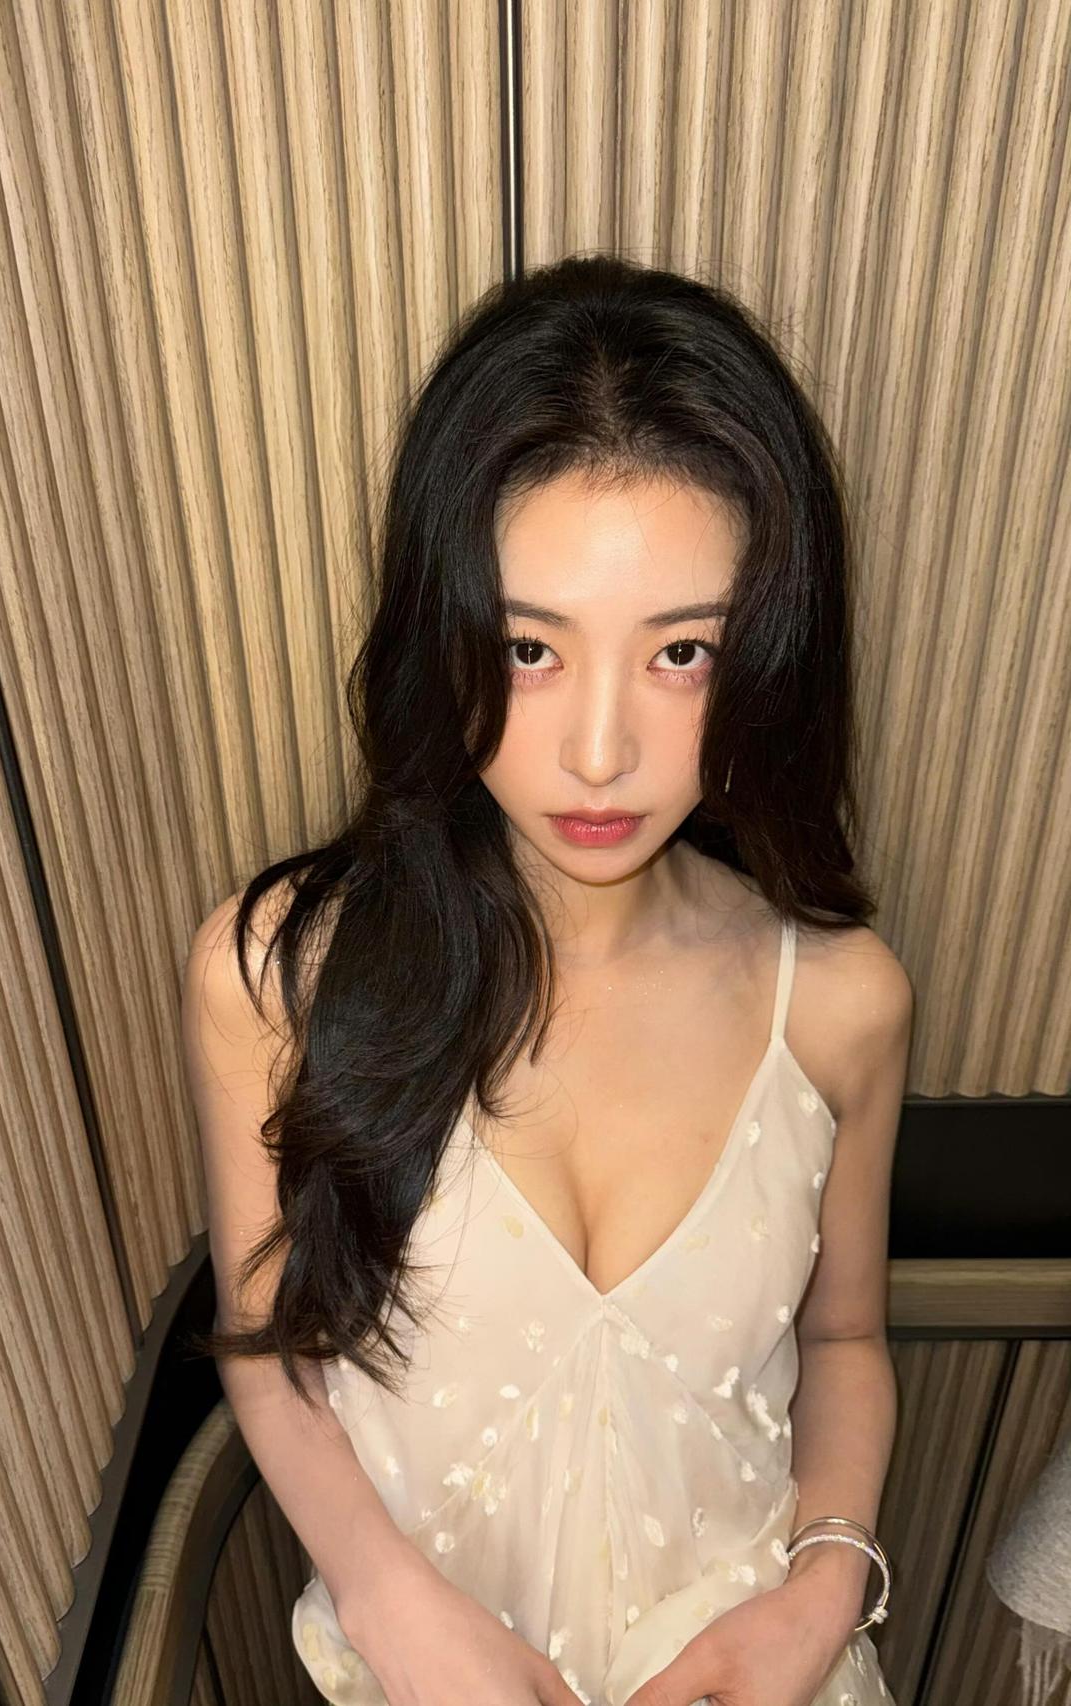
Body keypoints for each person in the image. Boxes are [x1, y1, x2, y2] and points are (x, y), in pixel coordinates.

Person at [181, 255, 914, 1706]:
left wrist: (824, 1592)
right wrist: (390, 1599)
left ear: (767, 658)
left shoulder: (841, 999)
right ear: (441, 630)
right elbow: (270, 1354)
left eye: (682, 652)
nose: (598, 752)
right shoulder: (278, 976)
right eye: (529, 646)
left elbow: (844, 1334)